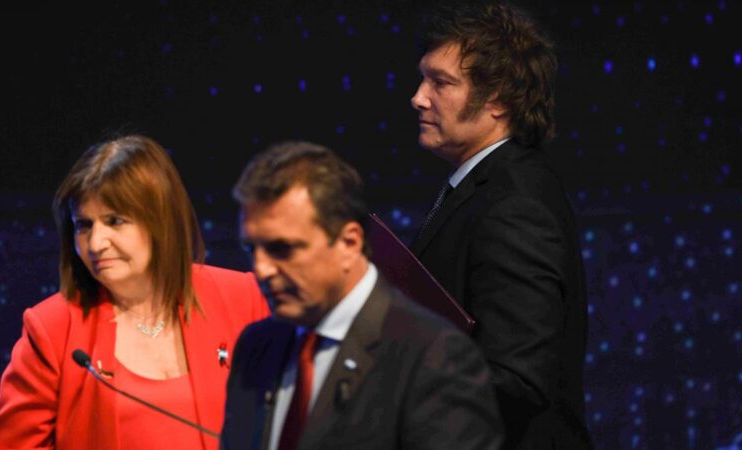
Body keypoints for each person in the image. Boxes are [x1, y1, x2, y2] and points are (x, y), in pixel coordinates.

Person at [0, 135, 269, 450]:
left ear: (161, 221)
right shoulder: (53, 328)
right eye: (84, 225)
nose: (95, 243)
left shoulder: (243, 299)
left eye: (114, 221)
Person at [221, 141, 502, 450]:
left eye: (282, 248)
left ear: (349, 243)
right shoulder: (256, 346)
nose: (261, 269)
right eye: (251, 249)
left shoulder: (434, 355)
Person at [408, 2, 593, 448]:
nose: (418, 97)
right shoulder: (489, 187)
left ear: (498, 100)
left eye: (441, 82)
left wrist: (389, 386)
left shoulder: (515, 202)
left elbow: (515, 379)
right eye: (423, 79)